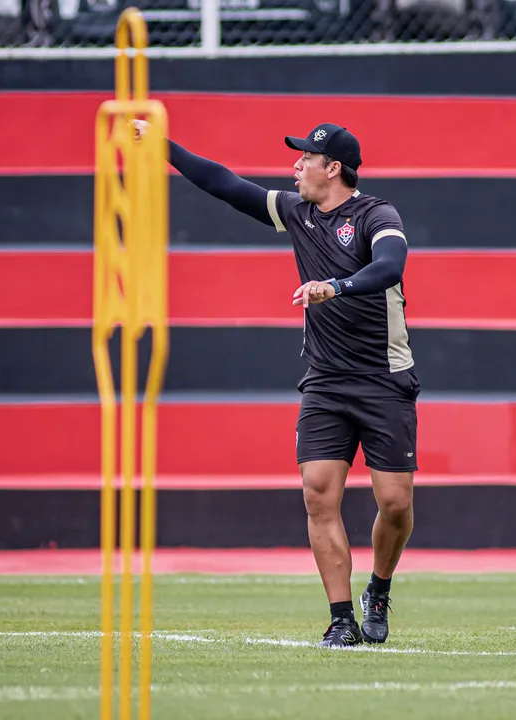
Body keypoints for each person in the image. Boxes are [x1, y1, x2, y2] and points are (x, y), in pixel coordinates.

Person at [133, 119, 420, 648]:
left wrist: (334, 286)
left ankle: (377, 590)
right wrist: (164, 147)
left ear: (332, 168)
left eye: (304, 158)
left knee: (396, 503)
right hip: (326, 383)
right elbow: (225, 183)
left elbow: (390, 266)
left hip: (383, 379)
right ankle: (340, 618)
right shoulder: (296, 211)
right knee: (318, 494)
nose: (295, 166)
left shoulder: (376, 214)